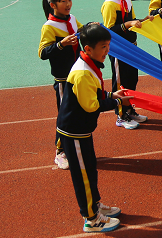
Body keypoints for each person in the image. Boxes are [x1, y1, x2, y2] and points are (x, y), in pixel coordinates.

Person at [56, 22, 132, 233]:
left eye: (108, 46)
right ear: (88, 49)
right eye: (103, 47)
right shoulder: (82, 72)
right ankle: (91, 219)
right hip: (74, 132)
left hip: (81, 131)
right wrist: (117, 103)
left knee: (90, 171)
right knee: (83, 177)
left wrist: (111, 95)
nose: (107, 51)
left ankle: (95, 206)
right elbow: (91, 105)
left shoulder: (89, 64)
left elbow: (95, 94)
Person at [39, 0, 84, 170]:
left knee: (79, 112)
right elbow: (43, 52)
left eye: (69, 0)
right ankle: (60, 151)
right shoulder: (49, 27)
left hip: (78, 75)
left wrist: (91, 27)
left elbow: (82, 31)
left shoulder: (72, 19)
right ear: (53, 5)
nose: (68, 4)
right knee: (65, 115)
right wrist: (61, 44)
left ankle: (73, 145)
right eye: (63, 1)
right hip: (63, 79)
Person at [102, 0, 149, 130]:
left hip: (131, 47)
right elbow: (109, 31)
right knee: (120, 82)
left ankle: (129, 109)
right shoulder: (110, 4)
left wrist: (143, 20)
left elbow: (132, 20)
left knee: (132, 79)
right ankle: (121, 115)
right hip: (118, 50)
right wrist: (128, 24)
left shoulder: (127, 0)